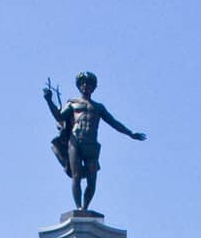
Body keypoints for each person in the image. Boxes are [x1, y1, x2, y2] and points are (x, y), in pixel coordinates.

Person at [43, 71, 146, 211]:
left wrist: (130, 133)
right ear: (79, 86)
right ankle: (79, 208)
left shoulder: (98, 107)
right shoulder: (72, 104)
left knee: (92, 181)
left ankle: (85, 207)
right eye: (83, 83)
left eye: (89, 83)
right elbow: (59, 117)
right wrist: (49, 100)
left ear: (93, 87)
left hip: (91, 144)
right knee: (76, 175)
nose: (86, 86)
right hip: (75, 141)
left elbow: (113, 122)